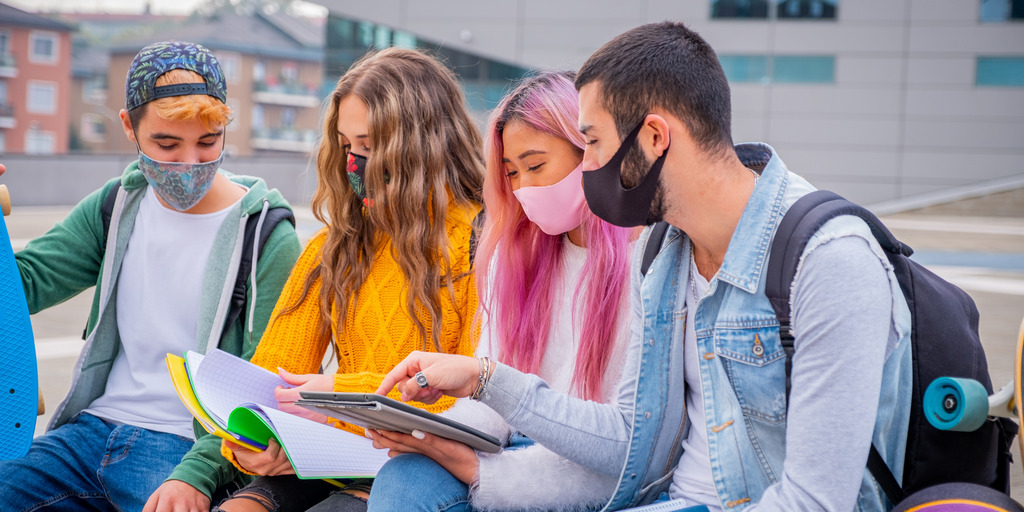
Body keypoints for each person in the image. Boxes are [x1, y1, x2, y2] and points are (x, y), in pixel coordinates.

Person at [377, 21, 913, 511]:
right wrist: (483, 379)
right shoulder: (667, 254)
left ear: (654, 137)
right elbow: (632, 439)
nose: (587, 168)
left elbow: (817, 501)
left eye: (591, 143)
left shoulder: (829, 260)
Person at [0, 40, 302, 512]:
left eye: (208, 142)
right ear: (129, 127)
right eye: (166, 144)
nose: (188, 163)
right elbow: (23, 286)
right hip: (88, 432)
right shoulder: (117, 204)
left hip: (185, 448)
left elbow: (260, 386)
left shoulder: (266, 234)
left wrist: (199, 476)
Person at [212, 47, 485, 512]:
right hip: (331, 455)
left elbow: (471, 405)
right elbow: (270, 377)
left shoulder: (481, 244)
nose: (354, 162)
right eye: (345, 145)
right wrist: (256, 440)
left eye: (370, 145)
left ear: (423, 144)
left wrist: (339, 397)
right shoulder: (335, 246)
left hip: (422, 467)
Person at [365, 71, 635, 512]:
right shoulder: (516, 254)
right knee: (404, 476)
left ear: (589, 150)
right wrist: (432, 435)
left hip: (593, 466)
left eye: (535, 165)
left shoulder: (647, 264)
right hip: (512, 445)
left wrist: (477, 470)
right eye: (512, 173)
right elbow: (494, 402)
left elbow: (621, 456)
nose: (523, 188)